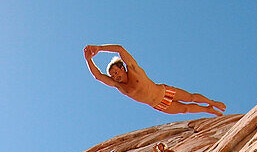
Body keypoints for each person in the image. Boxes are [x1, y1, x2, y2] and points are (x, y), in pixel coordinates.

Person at [84, 44, 226, 117]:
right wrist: (89, 59)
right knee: (185, 109)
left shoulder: (133, 69)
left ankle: (213, 103)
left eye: (115, 72)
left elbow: (120, 49)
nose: (115, 76)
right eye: (113, 75)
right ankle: (208, 110)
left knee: (191, 97)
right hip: (158, 105)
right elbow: (98, 76)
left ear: (122, 68)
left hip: (164, 92)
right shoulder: (119, 86)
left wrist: (99, 48)